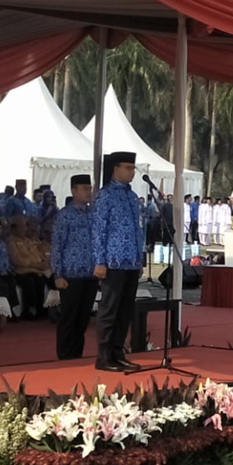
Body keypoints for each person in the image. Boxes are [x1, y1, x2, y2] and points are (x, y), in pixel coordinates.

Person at [93, 151, 144, 372]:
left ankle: (117, 352)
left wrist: (139, 259)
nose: (132, 172)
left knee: (125, 311)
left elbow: (138, 230)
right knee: (109, 309)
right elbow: (98, 230)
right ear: (115, 169)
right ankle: (103, 356)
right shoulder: (105, 196)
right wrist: (99, 261)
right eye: (128, 168)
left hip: (131, 261)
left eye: (133, 168)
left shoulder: (132, 197)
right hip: (112, 261)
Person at [51, 174, 96, 360]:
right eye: (84, 188)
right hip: (71, 275)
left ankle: (76, 353)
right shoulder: (65, 216)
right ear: (73, 190)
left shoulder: (93, 214)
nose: (88, 192)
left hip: (90, 274)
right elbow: (57, 245)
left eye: (89, 188)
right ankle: (64, 354)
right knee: (69, 317)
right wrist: (57, 274)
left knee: (83, 318)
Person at [7, 216, 47, 319]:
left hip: (34, 270)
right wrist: (33, 265)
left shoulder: (28, 240)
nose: (24, 229)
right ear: (14, 229)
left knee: (40, 280)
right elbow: (16, 260)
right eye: (22, 227)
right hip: (20, 271)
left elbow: (38, 254)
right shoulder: (11, 241)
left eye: (25, 226)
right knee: (29, 282)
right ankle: (28, 310)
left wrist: (42, 262)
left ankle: (40, 309)